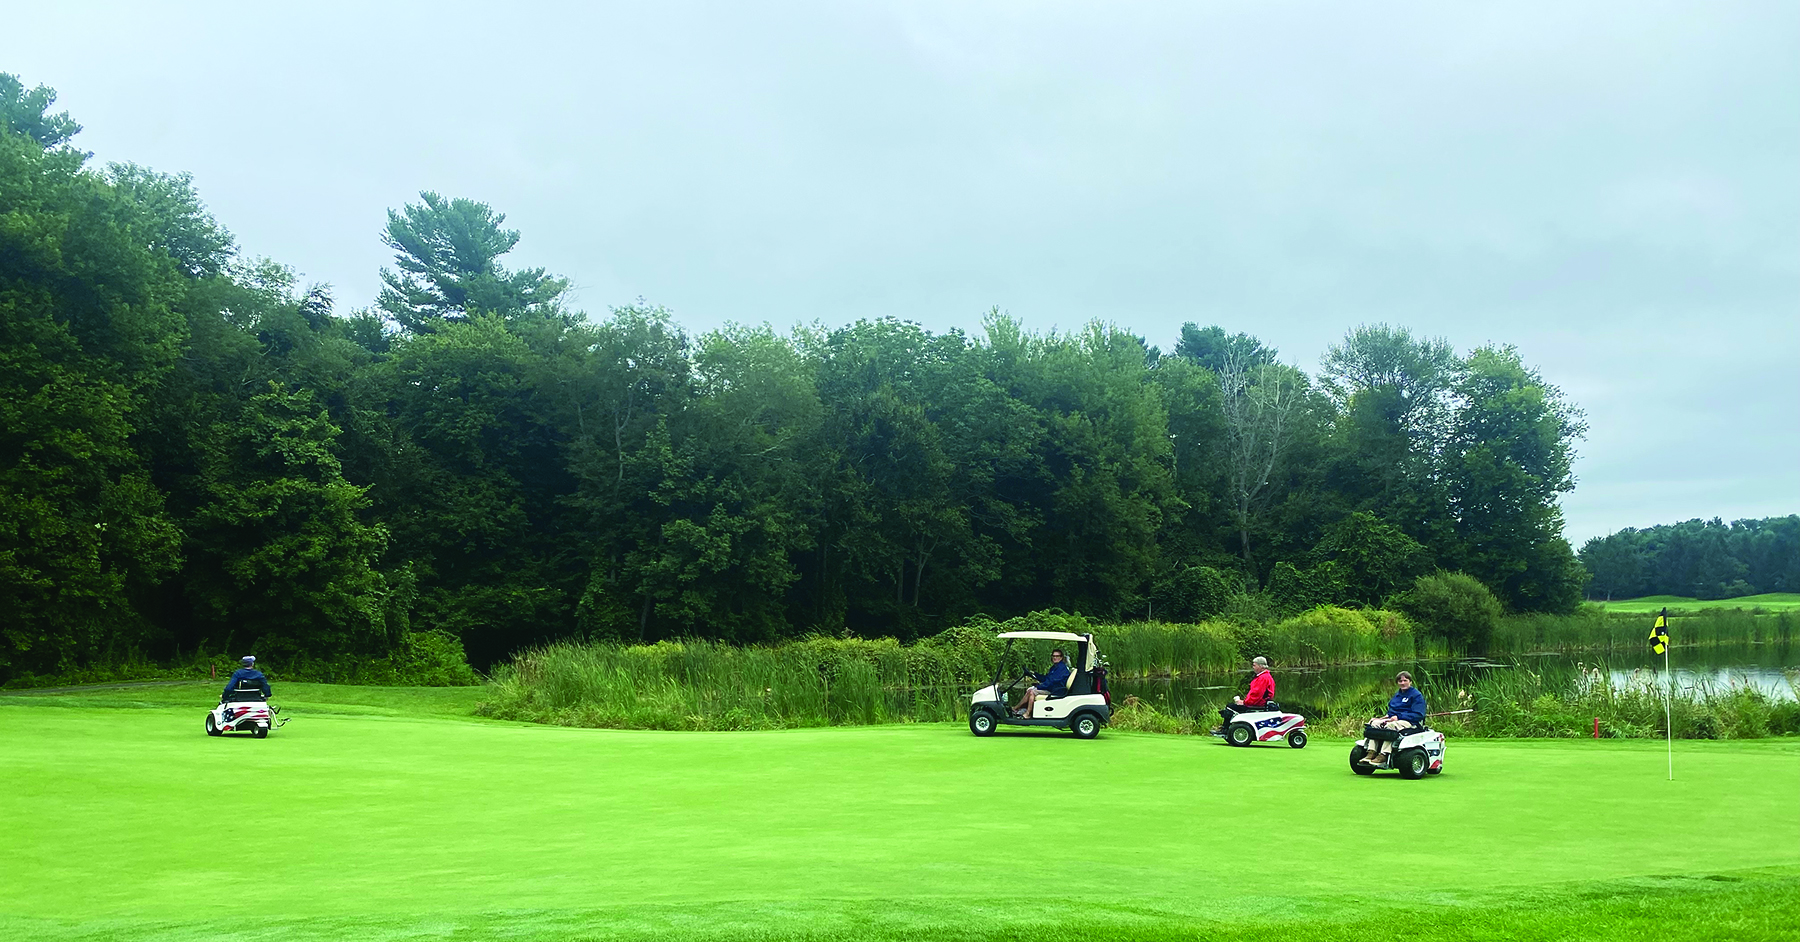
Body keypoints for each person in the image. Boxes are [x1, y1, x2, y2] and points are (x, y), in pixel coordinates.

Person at [1359, 671, 1426, 765]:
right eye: (1400, 681)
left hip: (1410, 722)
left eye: (1405, 680)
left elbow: (1419, 714)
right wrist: (1382, 718)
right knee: (1374, 724)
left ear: (1410, 681)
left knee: (1390, 726)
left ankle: (1384, 754)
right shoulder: (1397, 695)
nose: (1402, 683)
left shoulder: (1416, 695)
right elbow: (1391, 712)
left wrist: (1399, 717)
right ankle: (1371, 752)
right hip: (1394, 719)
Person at [1212, 656, 1275, 733]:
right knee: (1232, 706)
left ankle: (1225, 728)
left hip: (1257, 704)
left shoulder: (1263, 678)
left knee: (1230, 707)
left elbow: (1256, 695)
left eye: (1254, 665)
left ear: (1260, 666)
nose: (1253, 667)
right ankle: (1226, 727)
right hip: (1260, 703)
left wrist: (1244, 703)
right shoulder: (1265, 677)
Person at [1011, 648, 1071, 717]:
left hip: (1056, 690)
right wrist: (1035, 674)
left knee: (1032, 692)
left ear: (1061, 657)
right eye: (1053, 656)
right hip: (1052, 688)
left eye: (1057, 656)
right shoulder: (1055, 668)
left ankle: (1026, 713)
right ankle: (1020, 710)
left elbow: (1051, 682)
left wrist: (1039, 686)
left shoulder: (1061, 669)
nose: (1055, 658)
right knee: (1030, 690)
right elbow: (1046, 678)